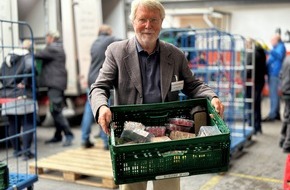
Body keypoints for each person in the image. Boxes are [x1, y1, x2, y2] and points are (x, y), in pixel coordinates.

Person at [89, 0, 224, 189]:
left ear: (161, 22)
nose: (148, 25)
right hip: (131, 138)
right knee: (133, 186)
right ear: (133, 22)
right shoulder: (117, 52)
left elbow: (193, 85)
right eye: (142, 19)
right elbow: (99, 87)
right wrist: (102, 106)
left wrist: (212, 96)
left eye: (154, 19)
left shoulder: (175, 55)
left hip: (168, 140)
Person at [81, 24, 120, 149]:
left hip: (91, 79)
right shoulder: (109, 40)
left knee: (89, 110)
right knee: (104, 109)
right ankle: (105, 141)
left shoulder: (94, 43)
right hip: (101, 81)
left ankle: (84, 138)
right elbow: (127, 43)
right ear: (108, 32)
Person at [35, 31, 74, 147]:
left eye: (47, 37)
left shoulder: (52, 48)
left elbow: (37, 55)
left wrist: (28, 49)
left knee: (55, 110)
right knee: (57, 110)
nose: (46, 39)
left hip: (55, 84)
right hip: (57, 84)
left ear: (51, 38)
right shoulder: (58, 47)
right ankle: (58, 135)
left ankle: (69, 135)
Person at [0, 39, 37, 160]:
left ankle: (16, 151)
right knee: (28, 123)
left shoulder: (7, 59)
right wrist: (24, 82)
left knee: (12, 123)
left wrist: (8, 85)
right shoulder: (27, 56)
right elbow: (32, 68)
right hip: (24, 94)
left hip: (8, 95)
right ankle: (26, 152)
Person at [246, 39, 267, 134]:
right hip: (260, 81)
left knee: (252, 105)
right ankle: (258, 127)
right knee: (257, 104)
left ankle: (252, 126)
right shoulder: (260, 52)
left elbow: (248, 70)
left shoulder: (252, 54)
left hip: (252, 82)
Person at [263, 34, 286, 122]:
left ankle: (272, 115)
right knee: (275, 95)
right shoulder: (276, 47)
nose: (271, 43)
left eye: (272, 40)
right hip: (272, 74)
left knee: (273, 95)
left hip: (275, 74)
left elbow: (279, 56)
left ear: (277, 40)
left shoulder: (280, 46)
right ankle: (276, 114)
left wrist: (269, 51)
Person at [279, 56, 290, 153]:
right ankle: (287, 144)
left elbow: (281, 74)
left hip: (285, 90)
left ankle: (282, 139)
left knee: (286, 115)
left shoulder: (286, 58)